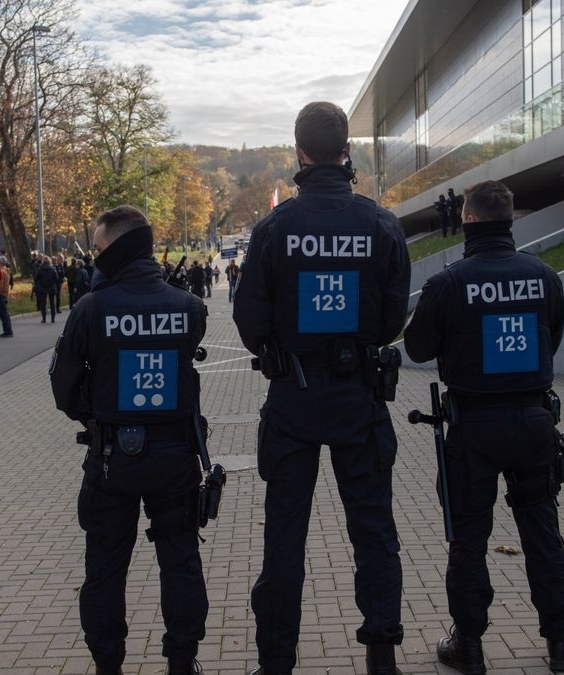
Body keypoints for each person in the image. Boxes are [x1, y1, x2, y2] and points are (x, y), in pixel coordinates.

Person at [232, 101, 411, 675]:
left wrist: (281, 350)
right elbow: (391, 319)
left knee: (284, 536)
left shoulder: (275, 228)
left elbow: (249, 320)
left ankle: (276, 661)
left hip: (293, 397)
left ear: (299, 153)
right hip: (359, 394)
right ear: (347, 151)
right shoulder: (381, 223)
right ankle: (381, 656)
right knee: (374, 531)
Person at [403, 180, 564, 674]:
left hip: (473, 425)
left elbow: (415, 347)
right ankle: (561, 642)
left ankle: (470, 645)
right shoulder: (544, 275)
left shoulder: (450, 282)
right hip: (533, 420)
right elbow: (553, 337)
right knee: (543, 530)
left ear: (469, 220)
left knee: (469, 538)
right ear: (510, 219)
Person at [50, 205, 208, 675]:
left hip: (110, 458)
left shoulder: (91, 308)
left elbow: (63, 388)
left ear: (115, 251)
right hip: (176, 455)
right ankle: (183, 662)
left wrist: (99, 414)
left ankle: (108, 666)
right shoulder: (189, 307)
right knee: (180, 561)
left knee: (105, 567)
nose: (94, 260)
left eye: (99, 251)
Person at [33, 254, 60, 323]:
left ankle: (44, 318)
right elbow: (56, 279)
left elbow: (36, 278)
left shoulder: (40, 269)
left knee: (43, 303)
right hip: (51, 287)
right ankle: (53, 318)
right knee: (52, 303)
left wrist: (37, 284)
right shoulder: (52, 269)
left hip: (42, 287)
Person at [0, 256, 14, 337]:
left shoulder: (2, 272)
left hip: (1, 294)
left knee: (3, 314)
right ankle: (8, 330)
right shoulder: (7, 271)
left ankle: (7, 331)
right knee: (5, 313)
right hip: (5, 294)